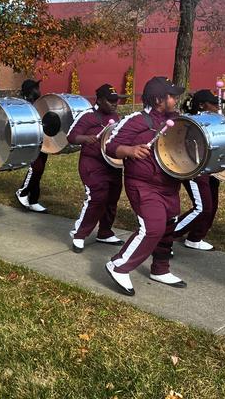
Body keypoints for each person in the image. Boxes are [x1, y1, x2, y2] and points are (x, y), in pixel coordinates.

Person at [104, 76, 185, 296]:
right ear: (159, 99)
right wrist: (129, 151)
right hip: (143, 184)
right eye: (172, 95)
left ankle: (160, 269)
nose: (176, 99)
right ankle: (118, 265)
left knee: (169, 226)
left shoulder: (178, 120)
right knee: (153, 227)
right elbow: (110, 145)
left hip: (169, 185)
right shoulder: (136, 120)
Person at [67, 84, 124, 252]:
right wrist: (85, 138)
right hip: (92, 164)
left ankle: (105, 232)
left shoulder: (116, 116)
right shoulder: (87, 116)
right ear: (99, 100)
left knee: (112, 197)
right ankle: (79, 234)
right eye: (111, 101)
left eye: (116, 101)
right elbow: (71, 136)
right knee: (97, 197)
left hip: (112, 164)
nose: (115, 104)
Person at [173, 89, 225, 251]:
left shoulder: (214, 120)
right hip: (194, 169)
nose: (217, 106)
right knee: (203, 208)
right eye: (213, 104)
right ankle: (164, 237)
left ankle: (195, 238)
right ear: (201, 105)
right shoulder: (189, 122)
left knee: (212, 205)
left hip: (210, 168)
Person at [15, 79, 49, 213]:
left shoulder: (38, 103)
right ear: (30, 91)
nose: (39, 90)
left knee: (39, 170)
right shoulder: (24, 105)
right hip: (31, 141)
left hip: (43, 140)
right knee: (36, 168)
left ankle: (34, 200)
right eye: (36, 88)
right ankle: (22, 192)